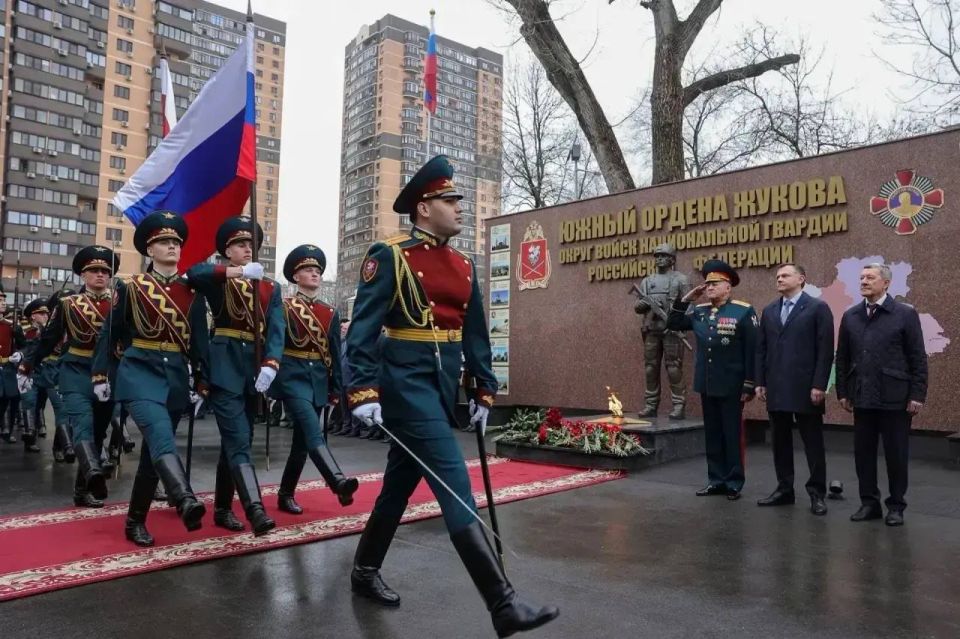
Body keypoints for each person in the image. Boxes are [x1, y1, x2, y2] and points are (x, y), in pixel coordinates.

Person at [346, 155, 558, 638]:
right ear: (423, 208)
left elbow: (476, 332)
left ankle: (363, 571)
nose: (461, 207)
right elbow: (361, 330)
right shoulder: (392, 256)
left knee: (399, 485)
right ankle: (502, 604)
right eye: (450, 200)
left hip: (441, 385)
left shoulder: (463, 264)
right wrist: (362, 388)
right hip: (405, 384)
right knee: (454, 481)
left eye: (459, 199)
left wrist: (483, 388)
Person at [92, 211, 209, 546]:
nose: (172, 246)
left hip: (175, 376)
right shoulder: (130, 288)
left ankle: (135, 521)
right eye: (164, 241)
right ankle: (184, 497)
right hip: (139, 371)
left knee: (153, 453)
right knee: (159, 433)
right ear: (149, 249)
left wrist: (202, 381)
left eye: (176, 242)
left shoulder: (193, 293)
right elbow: (110, 332)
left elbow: (199, 342)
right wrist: (101, 374)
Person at [186, 216, 283, 536]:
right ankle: (255, 509)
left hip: (254, 369)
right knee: (238, 439)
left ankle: (223, 509)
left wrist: (271, 363)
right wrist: (238, 272)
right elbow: (193, 273)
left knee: (240, 439)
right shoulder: (220, 279)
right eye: (240, 245)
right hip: (225, 366)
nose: (247, 249)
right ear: (227, 251)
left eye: (251, 245)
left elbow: (277, 329)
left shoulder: (270, 287)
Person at [26, 246, 119, 507]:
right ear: (83, 275)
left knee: (98, 431)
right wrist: (28, 365)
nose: (100, 275)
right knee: (82, 423)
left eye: (105, 271)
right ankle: (94, 474)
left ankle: (82, 489)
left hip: (107, 373)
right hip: (76, 370)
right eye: (94, 270)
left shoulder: (119, 304)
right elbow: (49, 339)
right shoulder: (68, 304)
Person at [836, 263, 927, 527]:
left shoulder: (904, 314)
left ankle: (896, 506)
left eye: (870, 277)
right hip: (862, 396)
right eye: (862, 277)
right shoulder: (851, 315)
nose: (864, 281)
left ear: (886, 283)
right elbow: (842, 358)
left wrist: (917, 394)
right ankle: (869, 503)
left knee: (896, 454)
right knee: (863, 454)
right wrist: (843, 391)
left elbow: (917, 357)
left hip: (895, 396)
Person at [268, 245, 358, 514]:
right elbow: (275, 341)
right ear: (296, 277)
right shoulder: (284, 307)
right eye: (308, 269)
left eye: (317, 270)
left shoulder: (330, 312)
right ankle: (338, 481)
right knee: (312, 429)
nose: (315, 273)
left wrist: (335, 389)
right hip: (292, 377)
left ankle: (285, 494)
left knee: (302, 443)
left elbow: (334, 352)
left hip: (318, 378)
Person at [667, 259, 757, 500]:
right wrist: (687, 299)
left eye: (715, 283)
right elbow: (673, 322)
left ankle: (734, 482)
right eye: (707, 284)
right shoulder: (700, 311)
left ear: (728, 286)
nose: (709, 287)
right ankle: (716, 480)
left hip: (732, 385)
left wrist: (749, 383)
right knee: (713, 435)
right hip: (707, 383)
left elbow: (752, 350)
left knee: (731, 434)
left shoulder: (743, 311)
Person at [754, 264, 834, 515]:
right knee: (780, 442)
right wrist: (760, 381)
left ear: (801, 278)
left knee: (812, 442)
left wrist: (819, 384)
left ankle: (817, 493)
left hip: (806, 387)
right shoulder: (769, 310)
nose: (779, 279)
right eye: (777, 276)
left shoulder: (817, 308)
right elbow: (761, 349)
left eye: (785, 275)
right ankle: (784, 489)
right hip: (776, 386)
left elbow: (825, 350)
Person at [633, 243, 690, 419]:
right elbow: (637, 308)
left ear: (672, 259)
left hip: (672, 332)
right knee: (650, 368)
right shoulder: (647, 281)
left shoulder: (681, 280)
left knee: (674, 368)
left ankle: (678, 405)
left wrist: (677, 323)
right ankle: (651, 405)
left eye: (663, 256)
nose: (659, 259)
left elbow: (689, 307)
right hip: (652, 330)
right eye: (657, 256)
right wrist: (645, 303)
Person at [18, 298, 53, 453]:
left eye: (47, 313)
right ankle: (29, 437)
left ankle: (38, 426)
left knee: (40, 402)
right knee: (29, 401)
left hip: (44, 371)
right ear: (33, 316)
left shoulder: (49, 332)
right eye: (42, 314)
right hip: (28, 371)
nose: (46, 316)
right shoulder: (24, 331)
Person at [0, 294, 27, 444]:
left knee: (11, 399)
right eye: (0, 300)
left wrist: (20, 353)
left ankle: (7, 430)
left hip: (8, 368)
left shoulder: (11, 325)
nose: (4, 303)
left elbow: (25, 346)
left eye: (4, 300)